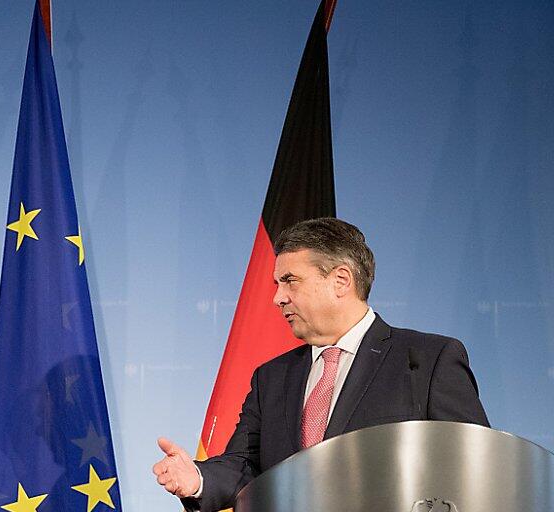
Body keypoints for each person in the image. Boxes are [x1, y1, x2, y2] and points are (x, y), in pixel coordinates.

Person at [152, 218, 488, 511]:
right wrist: (197, 478)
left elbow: (472, 465)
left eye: (290, 280)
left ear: (341, 281)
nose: (278, 297)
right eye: (276, 284)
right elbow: (244, 465)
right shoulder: (271, 378)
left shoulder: (427, 360)